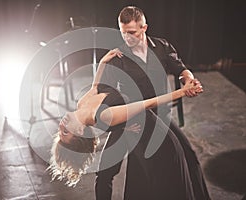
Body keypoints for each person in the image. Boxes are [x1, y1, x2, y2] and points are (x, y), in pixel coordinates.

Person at [90, 6, 211, 200]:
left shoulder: (161, 47)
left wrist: (189, 80)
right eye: (123, 33)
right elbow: (105, 94)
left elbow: (181, 69)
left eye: (131, 32)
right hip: (133, 119)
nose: (127, 38)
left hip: (159, 117)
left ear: (144, 28)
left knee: (189, 156)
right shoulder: (118, 57)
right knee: (106, 172)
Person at [47, 70, 202, 192]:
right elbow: (146, 104)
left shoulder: (83, 104)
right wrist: (182, 92)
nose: (60, 126)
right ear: (81, 131)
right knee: (106, 176)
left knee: (189, 158)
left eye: (59, 132)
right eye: (65, 132)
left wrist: (105, 60)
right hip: (146, 128)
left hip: (144, 123)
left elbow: (97, 85)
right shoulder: (104, 116)